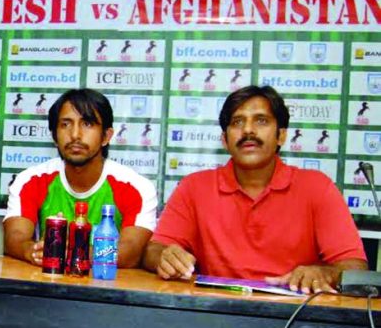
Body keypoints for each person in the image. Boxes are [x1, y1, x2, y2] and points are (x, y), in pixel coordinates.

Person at [144, 86, 367, 293]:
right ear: (225, 139)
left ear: (281, 135)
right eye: (238, 122)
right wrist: (165, 256)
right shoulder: (194, 187)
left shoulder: (317, 187)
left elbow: (354, 268)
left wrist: (325, 273)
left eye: (261, 121)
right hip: (216, 314)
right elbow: (154, 250)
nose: (248, 130)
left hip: (295, 317)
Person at [3, 89, 158, 267]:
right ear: (54, 136)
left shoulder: (137, 187)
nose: (75, 134)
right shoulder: (30, 180)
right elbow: (15, 238)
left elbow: (130, 252)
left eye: (87, 124)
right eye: (65, 124)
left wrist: (66, 252)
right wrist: (31, 251)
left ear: (106, 136)